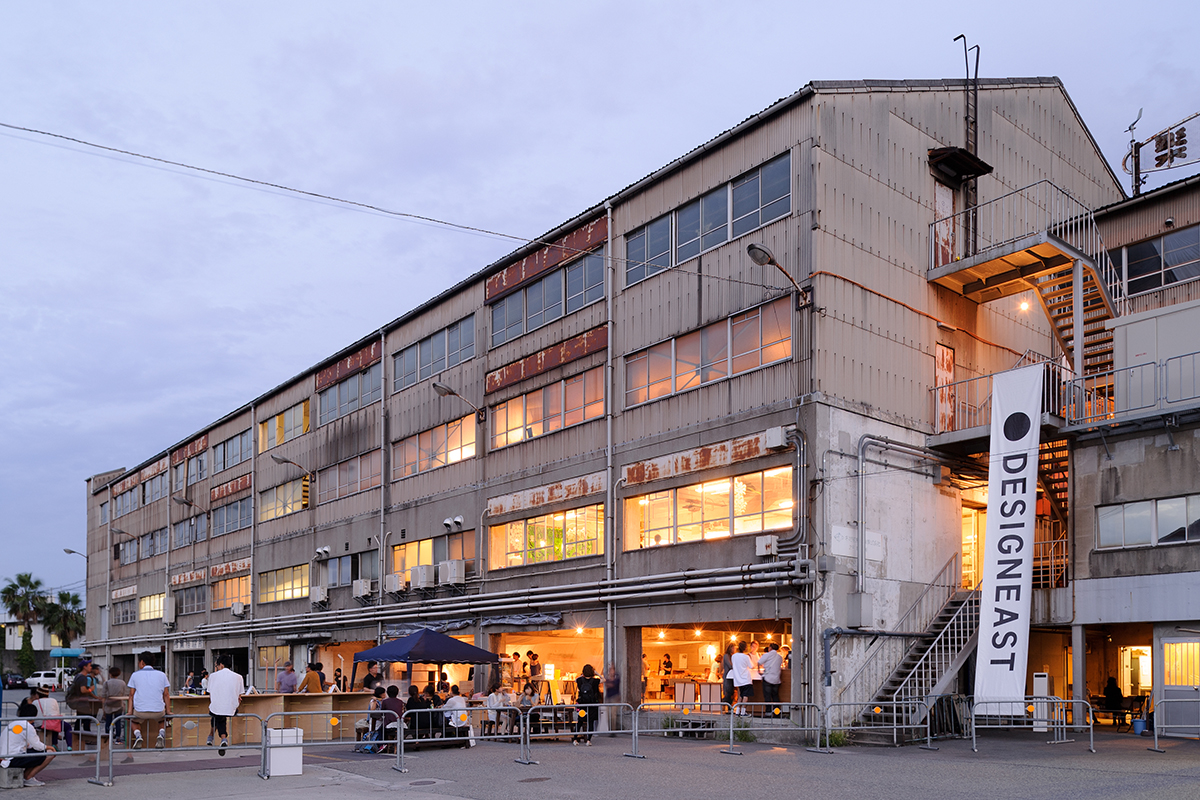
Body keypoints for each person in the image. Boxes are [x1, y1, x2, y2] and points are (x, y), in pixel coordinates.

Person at [1, 704, 56, 787]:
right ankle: (28, 778)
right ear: (34, 716)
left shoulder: (13, 724)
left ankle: (26, 776)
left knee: (35, 753)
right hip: (14, 758)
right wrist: (49, 747)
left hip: (6, 757)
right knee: (49, 753)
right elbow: (37, 746)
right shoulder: (27, 726)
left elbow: (22, 742)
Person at [126, 651, 171, 749]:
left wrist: (129, 712)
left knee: (134, 721)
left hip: (140, 711)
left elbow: (131, 695)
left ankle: (138, 735)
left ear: (142, 662)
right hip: (158, 711)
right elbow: (166, 694)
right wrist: (168, 711)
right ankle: (161, 734)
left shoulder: (135, 675)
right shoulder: (162, 675)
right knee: (163, 719)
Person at [206, 654, 244, 756]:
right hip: (232, 708)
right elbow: (240, 696)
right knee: (220, 715)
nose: (217, 668)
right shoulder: (239, 677)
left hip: (215, 708)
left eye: (217, 666)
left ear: (221, 665)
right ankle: (221, 738)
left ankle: (215, 736)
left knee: (216, 713)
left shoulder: (212, 676)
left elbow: (210, 692)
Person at [573, 664, 601, 746]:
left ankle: (575, 739)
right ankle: (588, 740)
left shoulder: (580, 680)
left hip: (582, 704)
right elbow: (604, 680)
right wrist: (597, 673)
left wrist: (582, 675)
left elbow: (575, 680)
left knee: (580, 721)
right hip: (592, 704)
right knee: (590, 722)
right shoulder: (595, 681)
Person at [99, 667, 127, 740]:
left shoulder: (107, 683)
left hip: (109, 705)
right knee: (118, 722)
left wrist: (103, 707)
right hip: (119, 704)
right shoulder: (122, 683)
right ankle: (118, 737)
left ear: (110, 674)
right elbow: (124, 694)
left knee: (108, 721)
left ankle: (107, 736)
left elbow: (103, 696)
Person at [730, 641, 754, 716]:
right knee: (745, 696)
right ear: (745, 648)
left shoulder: (733, 656)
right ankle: (743, 712)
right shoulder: (746, 657)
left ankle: (737, 711)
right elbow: (751, 666)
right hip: (746, 679)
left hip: (738, 679)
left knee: (740, 695)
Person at [721, 644, 735, 709]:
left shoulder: (731, 656)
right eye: (733, 648)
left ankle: (729, 708)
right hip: (727, 677)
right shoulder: (726, 656)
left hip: (731, 677)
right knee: (728, 692)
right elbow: (730, 665)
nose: (734, 649)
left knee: (731, 693)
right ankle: (723, 703)